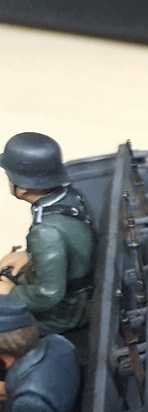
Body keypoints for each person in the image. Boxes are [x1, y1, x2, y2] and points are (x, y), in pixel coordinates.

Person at [0, 132, 96, 335]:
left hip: (63, 314)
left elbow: (48, 294)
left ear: (23, 188)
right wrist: (30, 254)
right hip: (77, 288)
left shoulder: (46, 231)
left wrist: (12, 293)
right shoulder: (69, 196)